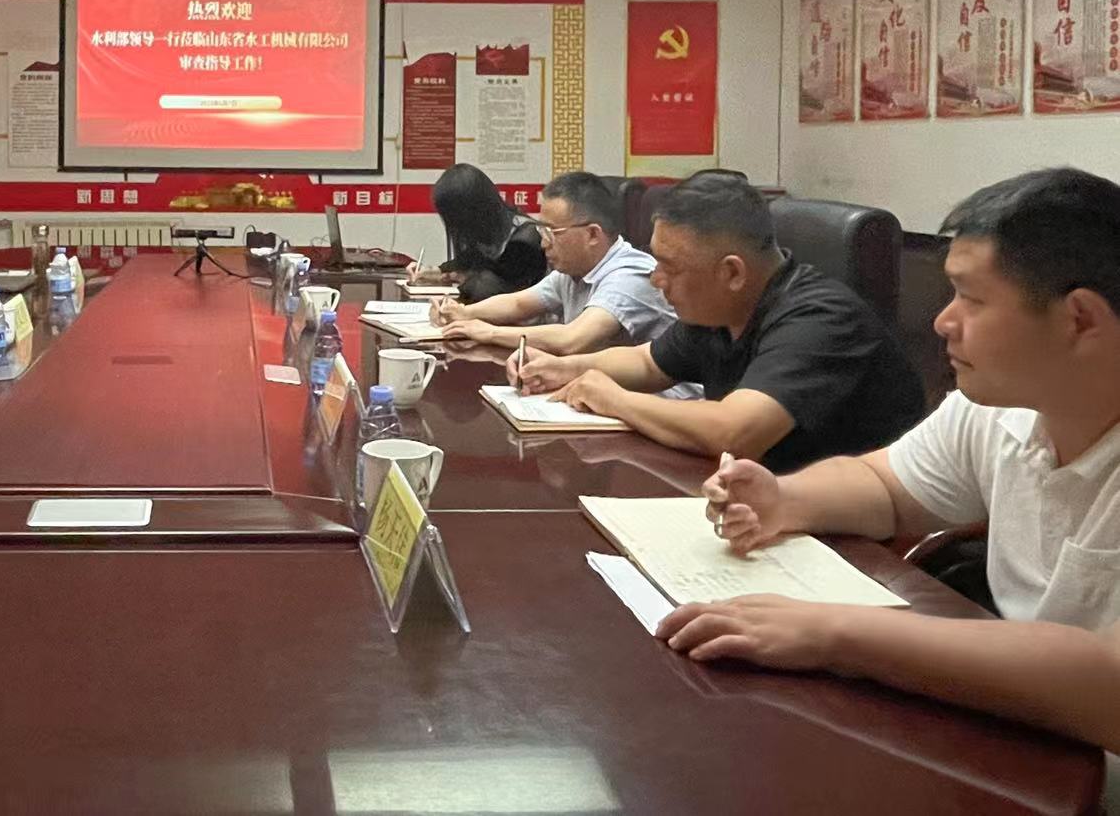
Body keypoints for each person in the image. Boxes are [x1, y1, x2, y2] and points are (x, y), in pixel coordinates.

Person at [658, 167, 1120, 763]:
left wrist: (834, 634)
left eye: (972, 298)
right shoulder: (1002, 407)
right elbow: (884, 485)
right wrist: (784, 499)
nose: (942, 321)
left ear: (1079, 320)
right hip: (1036, 738)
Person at [509, 171, 922, 470]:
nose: (656, 279)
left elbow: (734, 432)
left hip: (855, 542)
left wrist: (613, 398)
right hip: (760, 500)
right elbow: (649, 363)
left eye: (670, 267)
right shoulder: (720, 308)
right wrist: (562, 368)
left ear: (732, 272)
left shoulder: (820, 318)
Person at [434, 171, 679, 355]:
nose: (543, 244)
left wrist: (488, 332)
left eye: (552, 232)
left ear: (592, 234)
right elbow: (519, 303)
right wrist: (464, 313)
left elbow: (572, 339)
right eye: (542, 232)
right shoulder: (574, 269)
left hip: (658, 402)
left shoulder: (629, 275)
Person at [422, 163, 546, 302]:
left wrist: (465, 278)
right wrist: (437, 270)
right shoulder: (490, 232)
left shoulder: (525, 240)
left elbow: (495, 290)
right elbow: (469, 260)